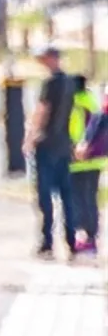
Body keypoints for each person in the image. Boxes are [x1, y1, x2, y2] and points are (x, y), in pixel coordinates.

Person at [26, 45, 82, 260]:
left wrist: (30, 137)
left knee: (45, 196)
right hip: (64, 144)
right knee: (67, 196)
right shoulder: (70, 83)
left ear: (51, 59)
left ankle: (47, 242)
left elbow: (43, 110)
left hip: (47, 144)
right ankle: (71, 241)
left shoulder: (49, 84)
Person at [67, 79, 102, 256]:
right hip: (95, 159)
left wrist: (73, 148)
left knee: (77, 198)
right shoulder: (93, 101)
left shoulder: (74, 103)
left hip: (78, 159)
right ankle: (93, 237)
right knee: (91, 197)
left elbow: (74, 129)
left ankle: (82, 236)